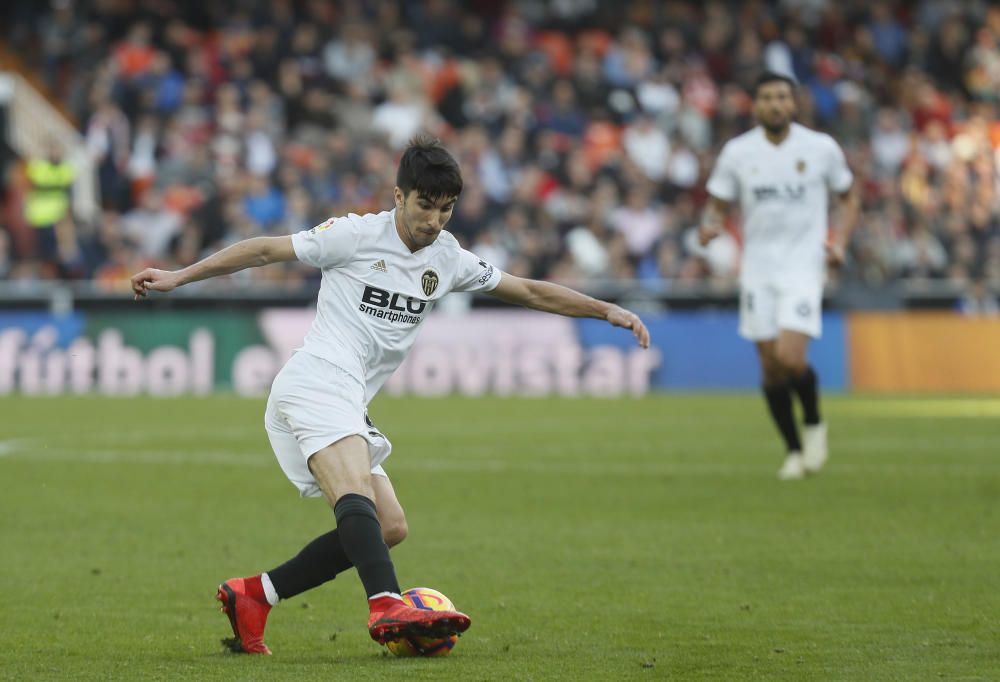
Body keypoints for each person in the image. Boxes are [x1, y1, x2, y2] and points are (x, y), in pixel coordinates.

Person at [130, 135, 650, 654]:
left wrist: (605, 309)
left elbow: (531, 290)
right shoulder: (354, 234)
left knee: (390, 526)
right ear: (398, 196)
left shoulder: (448, 258)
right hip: (317, 378)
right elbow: (265, 249)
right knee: (355, 496)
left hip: (349, 396)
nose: (435, 220)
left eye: (446, 209)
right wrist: (180, 276)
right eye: (426, 205)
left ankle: (256, 596)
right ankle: (385, 602)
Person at [699, 72, 859, 480]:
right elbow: (717, 204)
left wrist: (839, 240)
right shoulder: (738, 152)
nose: (774, 104)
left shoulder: (820, 148)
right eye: (767, 97)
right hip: (757, 269)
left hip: (804, 266)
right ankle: (792, 450)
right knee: (771, 369)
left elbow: (848, 196)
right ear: (755, 105)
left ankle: (814, 422)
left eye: (782, 97)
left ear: (794, 103)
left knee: (791, 358)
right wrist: (710, 224)